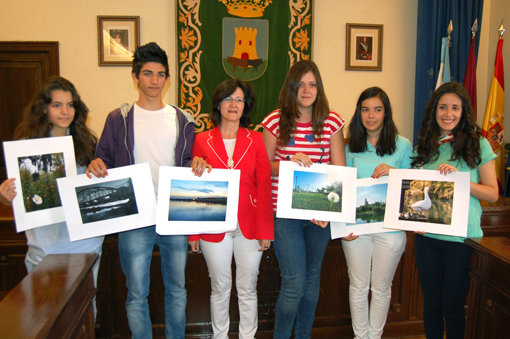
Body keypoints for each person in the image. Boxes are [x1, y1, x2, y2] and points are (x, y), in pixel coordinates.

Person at [86, 42, 202, 339]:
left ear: (167, 79)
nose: (154, 80)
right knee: (136, 292)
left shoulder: (182, 119)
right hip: (134, 216)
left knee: (177, 289)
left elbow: (189, 162)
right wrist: (97, 163)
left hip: (173, 214)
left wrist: (198, 162)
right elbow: (104, 161)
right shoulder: (118, 119)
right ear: (135, 76)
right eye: (147, 73)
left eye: (160, 74)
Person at [261, 60, 346, 338]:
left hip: (320, 214)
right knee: (294, 283)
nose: (307, 89)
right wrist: (287, 164)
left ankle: (303, 335)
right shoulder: (275, 120)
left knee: (311, 282)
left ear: (318, 88)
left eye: (312, 84)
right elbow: (261, 168)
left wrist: (331, 211)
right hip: (285, 215)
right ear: (291, 87)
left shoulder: (332, 122)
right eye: (301, 84)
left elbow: (339, 170)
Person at [411, 82, 499, 339]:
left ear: (463, 111)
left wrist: (462, 180)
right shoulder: (424, 147)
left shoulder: (478, 144)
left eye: (455, 108)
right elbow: (413, 192)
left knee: (453, 307)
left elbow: (493, 193)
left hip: (461, 239)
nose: (448, 113)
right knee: (432, 305)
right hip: (426, 238)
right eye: (442, 107)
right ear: (434, 111)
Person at [188, 79, 274, 339]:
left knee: (248, 287)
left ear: (245, 105)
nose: (233, 104)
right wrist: (193, 234)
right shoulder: (201, 140)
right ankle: (220, 336)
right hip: (213, 225)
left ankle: (248, 335)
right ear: (218, 105)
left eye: (239, 99)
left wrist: (265, 231)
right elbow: (193, 189)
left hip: (249, 227)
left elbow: (263, 186)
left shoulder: (256, 139)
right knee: (220, 287)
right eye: (228, 99)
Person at [0, 76, 103, 278]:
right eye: (57, 105)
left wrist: (99, 170)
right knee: (44, 307)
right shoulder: (26, 148)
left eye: (70, 105)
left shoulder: (87, 145)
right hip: (44, 247)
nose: (65, 112)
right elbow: (16, 197)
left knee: (85, 308)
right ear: (44, 109)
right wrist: (5, 196)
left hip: (85, 244)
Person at [342, 87, 412, 339]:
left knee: (381, 288)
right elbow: (343, 188)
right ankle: (361, 337)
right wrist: (341, 227)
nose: (371, 115)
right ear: (359, 113)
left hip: (390, 230)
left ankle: (375, 336)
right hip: (355, 230)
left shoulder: (403, 145)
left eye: (377, 109)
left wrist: (395, 173)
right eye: (365, 109)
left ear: (386, 113)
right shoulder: (350, 147)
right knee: (358, 286)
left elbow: (411, 189)